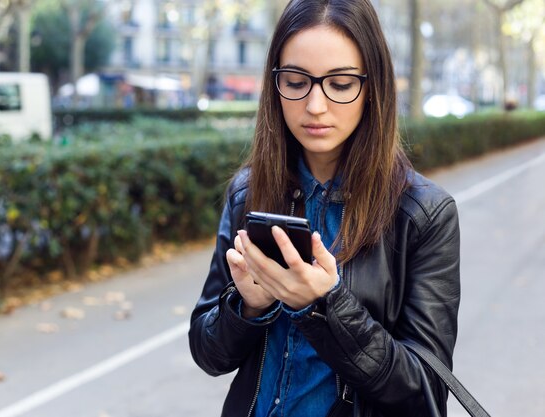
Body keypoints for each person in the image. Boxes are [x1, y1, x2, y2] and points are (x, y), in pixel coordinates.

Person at [189, 0, 460, 416]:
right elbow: (208, 354)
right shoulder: (249, 193)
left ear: (373, 88)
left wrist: (324, 305)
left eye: (340, 83)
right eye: (296, 82)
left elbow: (423, 390)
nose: (316, 105)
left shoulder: (423, 214)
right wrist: (246, 307)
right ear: (274, 83)